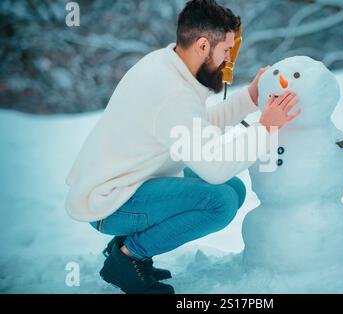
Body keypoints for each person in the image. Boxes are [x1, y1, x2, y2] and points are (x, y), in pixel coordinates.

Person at [64, 0, 301, 294]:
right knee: (221, 203)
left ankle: (126, 246)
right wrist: (267, 128)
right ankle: (128, 257)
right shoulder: (172, 91)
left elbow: (193, 127)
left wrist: (249, 100)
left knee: (234, 190)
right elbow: (214, 168)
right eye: (226, 50)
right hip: (110, 202)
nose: (229, 59)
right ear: (203, 45)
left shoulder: (166, 65)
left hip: (128, 182)